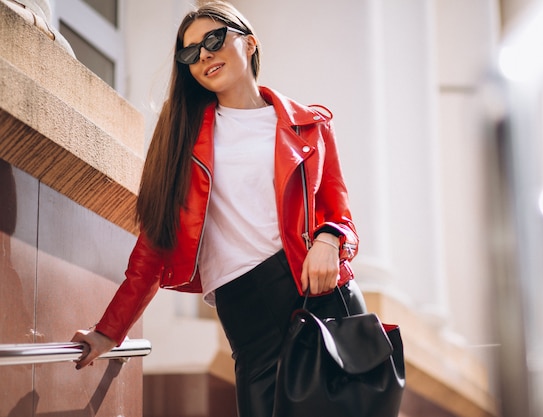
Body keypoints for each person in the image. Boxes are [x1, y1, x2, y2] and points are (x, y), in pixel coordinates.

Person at [71, 1, 366, 416]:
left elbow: (340, 212)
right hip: (246, 309)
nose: (204, 55)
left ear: (249, 43)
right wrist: (109, 332)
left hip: (321, 297)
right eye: (191, 53)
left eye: (213, 40)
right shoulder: (181, 134)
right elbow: (154, 245)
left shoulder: (311, 125)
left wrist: (329, 239)